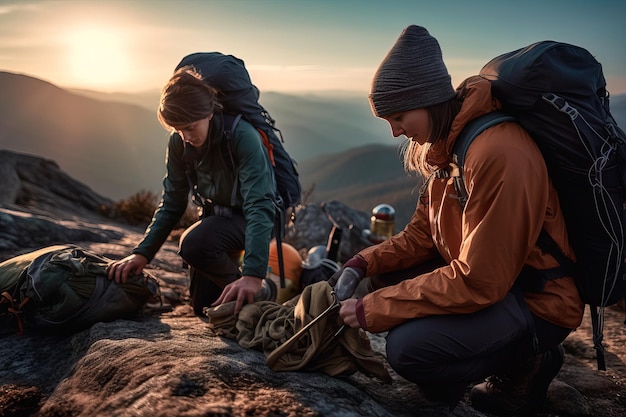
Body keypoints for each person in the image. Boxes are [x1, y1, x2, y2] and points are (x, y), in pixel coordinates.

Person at [332, 25, 584, 414]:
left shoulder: (497, 153)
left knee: (409, 351)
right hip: (502, 284)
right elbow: (422, 236)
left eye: (399, 116)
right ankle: (453, 374)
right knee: (382, 278)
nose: (396, 131)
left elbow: (480, 280)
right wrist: (362, 263)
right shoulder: (448, 150)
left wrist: (374, 309)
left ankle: (526, 364)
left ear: (429, 100)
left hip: (535, 300)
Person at [107, 65, 277, 316]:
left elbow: (259, 205)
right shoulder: (180, 143)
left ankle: (259, 295)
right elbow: (172, 203)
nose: (185, 136)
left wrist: (253, 275)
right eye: (177, 129)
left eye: (190, 127)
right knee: (202, 308)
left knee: (194, 244)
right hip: (216, 221)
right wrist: (142, 254)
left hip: (256, 219)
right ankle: (240, 289)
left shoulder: (242, 136)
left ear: (209, 113)